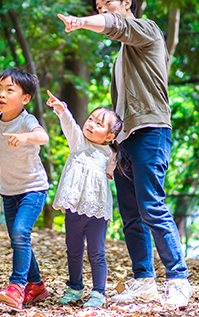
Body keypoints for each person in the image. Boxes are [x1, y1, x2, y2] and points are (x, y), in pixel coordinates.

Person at [56, 0, 192, 308]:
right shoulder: (121, 56)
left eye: (108, 4)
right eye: (97, 8)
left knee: (151, 206)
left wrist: (82, 22)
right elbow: (119, 109)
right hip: (125, 140)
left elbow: (118, 27)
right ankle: (144, 281)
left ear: (126, 3)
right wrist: (112, 151)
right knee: (131, 214)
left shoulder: (146, 31)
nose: (103, 10)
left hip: (150, 130)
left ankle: (178, 280)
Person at [46, 91, 122, 309]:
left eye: (99, 124)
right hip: (75, 210)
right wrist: (62, 109)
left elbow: (112, 173)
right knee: (74, 250)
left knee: (97, 252)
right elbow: (70, 125)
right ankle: (75, 286)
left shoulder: (110, 154)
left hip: (97, 212)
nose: (91, 124)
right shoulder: (79, 143)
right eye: (91, 119)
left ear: (109, 136)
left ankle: (99, 291)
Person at [0, 68, 51, 310]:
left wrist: (25, 137)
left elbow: (42, 137)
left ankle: (17, 286)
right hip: (8, 190)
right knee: (17, 237)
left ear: (25, 99)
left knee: (20, 232)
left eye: (9, 90)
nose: (1, 94)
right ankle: (37, 286)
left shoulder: (26, 120)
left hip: (33, 189)